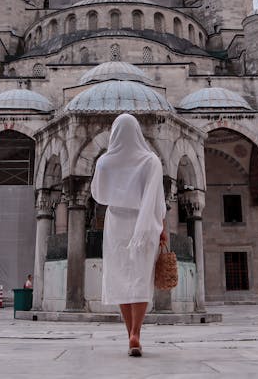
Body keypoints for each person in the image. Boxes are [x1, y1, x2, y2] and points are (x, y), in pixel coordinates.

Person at [90, 113, 167, 357]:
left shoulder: (104, 162)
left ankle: (129, 335)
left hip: (116, 224)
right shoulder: (151, 161)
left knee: (120, 277)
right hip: (143, 223)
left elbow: (98, 195)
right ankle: (137, 332)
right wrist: (161, 228)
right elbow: (156, 200)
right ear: (137, 132)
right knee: (141, 277)